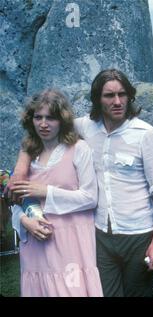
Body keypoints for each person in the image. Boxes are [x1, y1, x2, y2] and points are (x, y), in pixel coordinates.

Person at [10, 69, 153, 297]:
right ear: (97, 99)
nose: (117, 101)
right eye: (109, 95)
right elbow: (40, 131)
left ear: (129, 96)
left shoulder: (145, 134)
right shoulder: (85, 127)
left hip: (138, 233)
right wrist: (20, 169)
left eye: (122, 94)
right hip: (100, 236)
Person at [10, 89, 103, 296]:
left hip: (71, 244)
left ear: (62, 120)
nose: (43, 124)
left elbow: (90, 197)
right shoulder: (29, 154)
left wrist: (46, 191)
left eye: (50, 118)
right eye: (38, 117)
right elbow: (17, 201)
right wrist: (25, 222)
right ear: (30, 120)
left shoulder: (79, 149)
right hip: (35, 245)